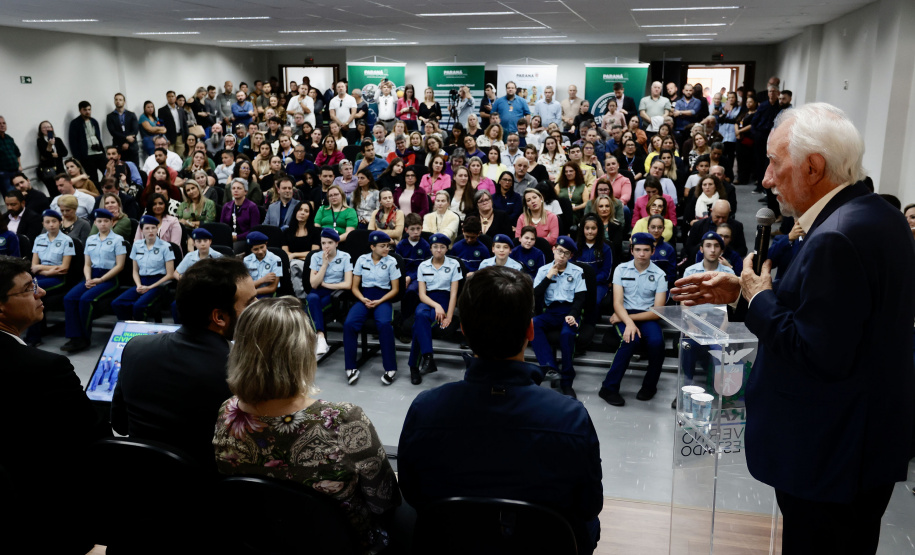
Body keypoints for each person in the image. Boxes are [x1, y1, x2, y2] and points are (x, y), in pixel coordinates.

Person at [672, 103, 915, 555]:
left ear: (814, 166)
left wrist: (759, 296)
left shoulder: (835, 238)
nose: (765, 179)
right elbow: (834, 316)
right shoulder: (877, 215)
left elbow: (817, 351)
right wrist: (746, 293)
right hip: (861, 447)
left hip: (828, 456)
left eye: (774, 163)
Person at [398, 265, 603, 554]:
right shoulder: (570, 417)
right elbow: (589, 504)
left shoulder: (425, 409)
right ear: (531, 330)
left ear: (465, 330)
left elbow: (413, 493)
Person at [213, 297, 400, 553]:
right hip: (343, 546)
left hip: (262, 541)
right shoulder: (342, 419)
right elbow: (384, 500)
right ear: (302, 351)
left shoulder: (228, 412)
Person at [0, 255, 109, 554]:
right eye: (28, 288)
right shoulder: (45, 368)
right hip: (41, 512)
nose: (42, 292)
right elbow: (90, 431)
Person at [112, 256, 255, 469]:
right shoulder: (244, 372)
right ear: (219, 317)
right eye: (250, 303)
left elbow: (120, 424)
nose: (258, 309)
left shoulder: (135, 348)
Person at [598, 232, 668, 407]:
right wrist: (628, 322)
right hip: (624, 313)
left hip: (647, 316)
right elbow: (617, 302)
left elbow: (658, 311)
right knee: (630, 340)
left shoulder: (660, 274)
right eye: (638, 250)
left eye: (646, 250)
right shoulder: (621, 269)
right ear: (631, 250)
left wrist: (630, 318)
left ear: (653, 251)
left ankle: (650, 386)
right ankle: (608, 388)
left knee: (657, 343)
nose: (641, 254)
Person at [60, 208, 127, 352]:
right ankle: (74, 337)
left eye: (106, 221)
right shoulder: (91, 239)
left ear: (112, 222)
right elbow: (87, 264)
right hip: (91, 275)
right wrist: (89, 278)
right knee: (69, 298)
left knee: (86, 300)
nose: (102, 224)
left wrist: (100, 280)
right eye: (99, 221)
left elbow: (120, 266)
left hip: (109, 278)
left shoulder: (118, 240)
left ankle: (84, 338)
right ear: (95, 222)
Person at [530, 235, 587, 399]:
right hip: (552, 311)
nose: (562, 256)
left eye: (566, 253)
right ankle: (551, 368)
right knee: (533, 324)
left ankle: (567, 382)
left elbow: (580, 298)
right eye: (559, 251)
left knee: (566, 335)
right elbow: (535, 295)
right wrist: (549, 277)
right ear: (554, 250)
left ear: (570, 256)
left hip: (570, 311)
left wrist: (573, 315)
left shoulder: (577, 271)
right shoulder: (543, 270)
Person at [343, 230, 401, 385]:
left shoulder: (391, 262)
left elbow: (395, 289)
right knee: (349, 324)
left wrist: (380, 300)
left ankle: (390, 368)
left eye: (388, 246)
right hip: (365, 297)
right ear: (372, 247)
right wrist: (363, 299)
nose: (386, 249)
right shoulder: (362, 260)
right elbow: (354, 287)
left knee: (384, 324)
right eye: (382, 246)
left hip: (383, 298)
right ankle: (350, 367)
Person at [407, 233, 462, 384]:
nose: (439, 250)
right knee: (420, 314)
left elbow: (454, 294)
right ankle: (428, 357)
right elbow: (422, 295)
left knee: (417, 325)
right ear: (430, 248)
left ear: (446, 249)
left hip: (445, 299)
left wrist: (449, 316)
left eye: (442, 247)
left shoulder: (453, 265)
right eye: (435, 247)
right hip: (428, 300)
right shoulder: (423, 266)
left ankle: (414, 366)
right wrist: (436, 306)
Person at [110, 215, 175, 321]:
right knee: (117, 303)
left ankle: (141, 335)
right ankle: (128, 328)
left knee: (138, 306)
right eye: (147, 228)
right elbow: (135, 271)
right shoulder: (137, 245)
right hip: (141, 282)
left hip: (159, 283)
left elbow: (170, 274)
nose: (151, 231)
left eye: (153, 228)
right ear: (141, 230)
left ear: (157, 228)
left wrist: (150, 287)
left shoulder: (165, 246)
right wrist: (139, 285)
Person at [574, 214, 613, 323]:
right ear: (582, 230)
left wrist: (590, 281)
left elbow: (606, 273)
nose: (590, 231)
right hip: (577, 283)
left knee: (594, 301)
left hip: (598, 284)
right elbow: (570, 268)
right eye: (587, 228)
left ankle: (591, 325)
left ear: (599, 230)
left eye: (593, 228)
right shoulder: (576, 246)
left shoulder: (606, 248)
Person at [244, 231, 283, 298]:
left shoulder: (275, 260)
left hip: (267, 294)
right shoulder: (247, 260)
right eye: (255, 249)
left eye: (262, 247)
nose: (260, 251)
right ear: (251, 250)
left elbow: (272, 288)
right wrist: (263, 280)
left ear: (266, 244)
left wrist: (252, 292)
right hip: (249, 293)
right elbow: (246, 285)